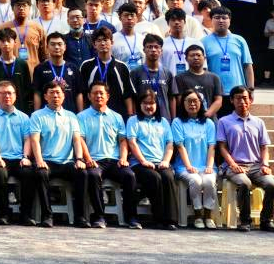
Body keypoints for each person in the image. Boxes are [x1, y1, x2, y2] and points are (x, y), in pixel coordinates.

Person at [29, 80, 97, 228]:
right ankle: (47, 216)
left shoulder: (72, 116)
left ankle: (81, 217)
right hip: (47, 161)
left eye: (58, 93)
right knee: (40, 173)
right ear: (45, 96)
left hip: (67, 162)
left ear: (64, 96)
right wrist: (39, 160)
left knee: (82, 173)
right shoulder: (37, 116)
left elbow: (76, 140)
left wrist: (79, 159)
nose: (55, 96)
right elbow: (34, 140)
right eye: (51, 93)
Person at [216, 86, 274, 232]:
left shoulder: (258, 122)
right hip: (233, 166)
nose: (242, 102)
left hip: (256, 166)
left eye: (245, 98)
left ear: (250, 100)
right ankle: (245, 221)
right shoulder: (224, 121)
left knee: (272, 185)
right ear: (232, 100)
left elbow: (264, 147)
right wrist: (232, 164)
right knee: (244, 183)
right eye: (238, 98)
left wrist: (265, 164)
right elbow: (222, 147)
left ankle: (266, 220)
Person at [76, 82, 136, 228]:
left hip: (115, 160)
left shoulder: (117, 117)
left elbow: (122, 140)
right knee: (93, 175)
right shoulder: (81, 117)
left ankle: (131, 217)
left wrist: (123, 158)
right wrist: (88, 159)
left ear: (107, 96)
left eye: (101, 93)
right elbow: (80, 139)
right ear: (89, 96)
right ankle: (99, 216)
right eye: (95, 93)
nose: (98, 96)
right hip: (95, 160)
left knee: (130, 175)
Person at [0, 81, 41, 226]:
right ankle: (4, 213)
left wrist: (25, 157)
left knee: (29, 173)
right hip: (0, 157)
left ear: (15, 96)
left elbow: (27, 139)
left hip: (18, 157)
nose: (6, 96)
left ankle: (25, 214)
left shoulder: (24, 117)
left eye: (10, 93)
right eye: (2, 93)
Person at [123, 88, 177, 229]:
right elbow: (132, 143)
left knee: (168, 177)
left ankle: (170, 220)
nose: (149, 106)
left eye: (152, 103)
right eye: (145, 103)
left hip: (161, 162)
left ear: (156, 104)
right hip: (139, 164)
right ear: (139, 104)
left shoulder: (163, 122)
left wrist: (166, 161)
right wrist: (143, 161)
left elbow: (169, 144)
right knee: (155, 178)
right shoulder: (133, 120)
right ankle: (158, 218)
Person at [172, 89, 219, 229]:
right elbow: (180, 146)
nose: (192, 104)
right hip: (184, 166)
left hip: (206, 165)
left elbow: (212, 146)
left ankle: (208, 215)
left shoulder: (209, 123)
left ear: (201, 103)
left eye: (195, 101)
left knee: (209, 181)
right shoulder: (177, 122)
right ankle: (198, 214)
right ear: (183, 103)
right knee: (195, 180)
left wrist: (209, 166)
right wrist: (188, 166)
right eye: (189, 101)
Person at [76, 27, 135, 118]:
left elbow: (127, 94)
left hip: (117, 115)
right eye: (99, 40)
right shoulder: (86, 65)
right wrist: (81, 114)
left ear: (112, 43)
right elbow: (82, 92)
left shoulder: (122, 67)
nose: (103, 43)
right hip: (92, 115)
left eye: (105, 40)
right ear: (94, 44)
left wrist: (130, 115)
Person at [171, 45, 224, 119]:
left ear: (204, 58)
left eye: (198, 55)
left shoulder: (214, 78)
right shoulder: (179, 78)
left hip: (209, 120)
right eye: (192, 55)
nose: (196, 58)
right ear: (186, 59)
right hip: (188, 120)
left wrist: (206, 115)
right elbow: (180, 101)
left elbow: (218, 101)